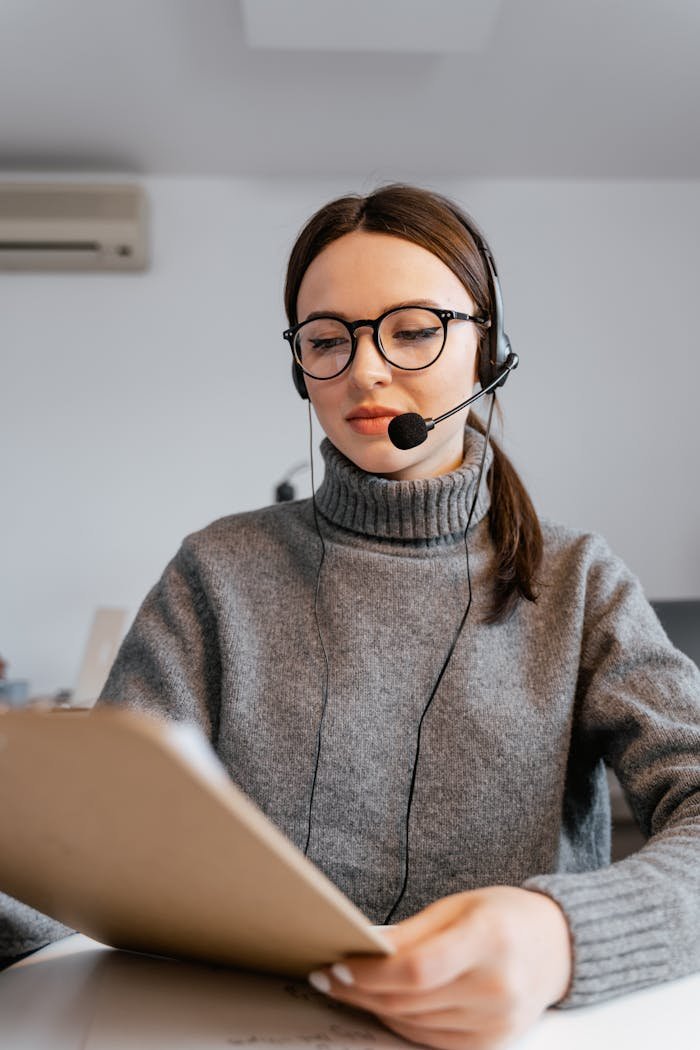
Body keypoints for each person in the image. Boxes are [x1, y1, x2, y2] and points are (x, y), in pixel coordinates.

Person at [2, 184, 700, 1049]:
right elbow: (100, 845)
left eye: (412, 330)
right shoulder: (216, 572)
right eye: (327, 341)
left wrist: (562, 936)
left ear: (489, 347)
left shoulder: (581, 581)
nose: (365, 371)